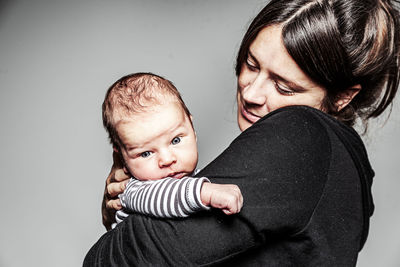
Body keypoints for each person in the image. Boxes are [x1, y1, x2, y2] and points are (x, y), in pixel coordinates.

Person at [85, 0, 400, 266]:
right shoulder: (344, 167)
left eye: (283, 86)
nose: (252, 93)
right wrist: (131, 200)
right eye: (251, 63)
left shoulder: (302, 134)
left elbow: (126, 258)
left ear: (343, 96)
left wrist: (129, 211)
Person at [101, 72, 243, 226]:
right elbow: (163, 196)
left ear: (192, 128)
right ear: (122, 157)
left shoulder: (196, 178)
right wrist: (205, 193)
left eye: (175, 140)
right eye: (146, 153)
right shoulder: (133, 191)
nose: (167, 160)